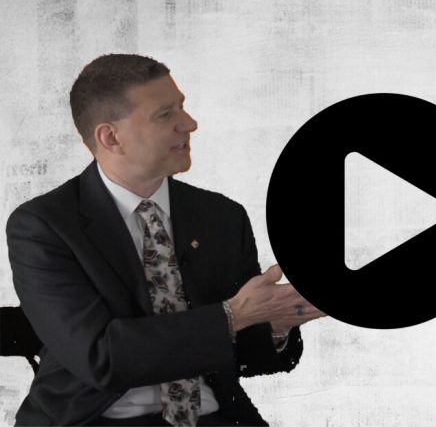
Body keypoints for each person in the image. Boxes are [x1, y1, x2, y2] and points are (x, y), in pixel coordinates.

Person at [6, 54, 324, 426]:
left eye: (182, 107)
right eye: (165, 114)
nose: (189, 124)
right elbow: (99, 358)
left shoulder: (222, 216)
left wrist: (275, 325)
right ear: (111, 137)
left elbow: (243, 358)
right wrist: (232, 316)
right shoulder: (44, 226)